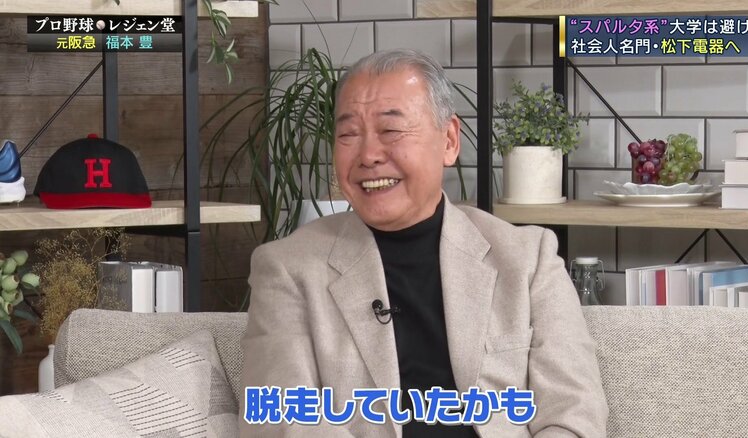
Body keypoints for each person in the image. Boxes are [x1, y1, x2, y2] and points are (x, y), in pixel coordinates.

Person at [240, 48, 608, 437]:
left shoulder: (528, 259)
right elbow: (281, 423)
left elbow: (574, 413)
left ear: (448, 140)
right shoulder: (287, 268)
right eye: (348, 134)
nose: (368, 155)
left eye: (390, 130)